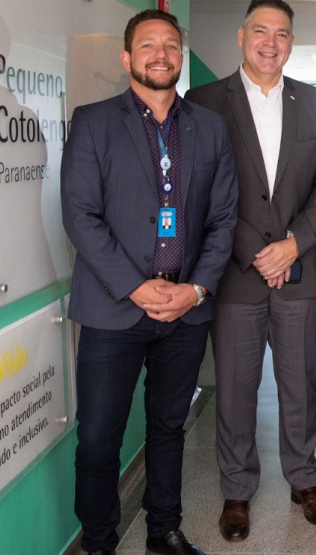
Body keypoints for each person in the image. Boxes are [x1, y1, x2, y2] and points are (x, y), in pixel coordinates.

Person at [61, 10, 238, 555]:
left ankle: (163, 529)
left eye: (170, 44)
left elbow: (223, 218)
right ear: (127, 57)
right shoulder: (93, 122)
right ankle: (98, 542)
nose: (160, 54)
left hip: (185, 310)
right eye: (147, 45)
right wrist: (136, 287)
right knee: (97, 439)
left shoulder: (208, 127)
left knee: (168, 427)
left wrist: (197, 289)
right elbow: (79, 215)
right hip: (114, 309)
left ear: (180, 57)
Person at [184, 0, 316, 542]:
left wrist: (294, 244)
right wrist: (260, 251)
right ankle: (236, 490)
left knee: (300, 384)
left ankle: (305, 479)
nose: (270, 41)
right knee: (234, 388)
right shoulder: (203, 101)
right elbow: (201, 189)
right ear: (240, 36)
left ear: (292, 42)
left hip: (299, 271)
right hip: (235, 273)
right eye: (260, 31)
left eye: (282, 33)